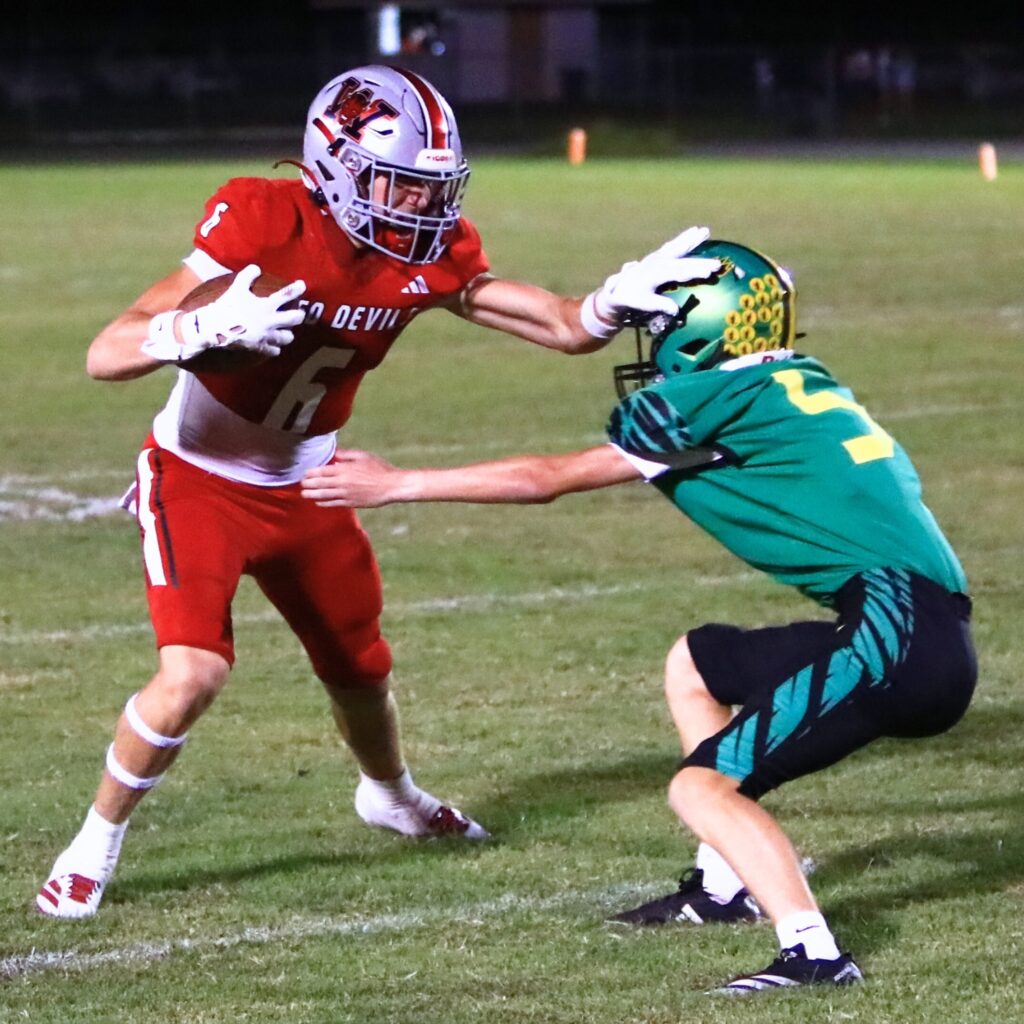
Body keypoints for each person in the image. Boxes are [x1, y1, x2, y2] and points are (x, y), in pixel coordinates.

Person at [35, 64, 721, 920]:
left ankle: (389, 796)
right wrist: (193, 329)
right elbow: (108, 351)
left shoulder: (429, 251)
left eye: (433, 189)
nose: (421, 208)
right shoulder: (264, 216)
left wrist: (612, 303)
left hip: (312, 481)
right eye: (400, 183)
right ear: (335, 165)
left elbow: (558, 324)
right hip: (199, 479)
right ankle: (92, 845)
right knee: (193, 673)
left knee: (361, 668)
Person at [299, 238, 977, 994]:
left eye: (661, 324)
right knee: (698, 661)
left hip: (894, 629)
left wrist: (400, 484)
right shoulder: (797, 383)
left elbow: (547, 479)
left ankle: (815, 952)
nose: (654, 344)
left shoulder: (711, 398)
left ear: (703, 327)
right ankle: (723, 886)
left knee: (700, 788)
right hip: (920, 628)